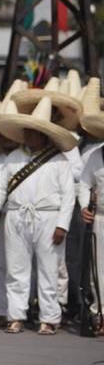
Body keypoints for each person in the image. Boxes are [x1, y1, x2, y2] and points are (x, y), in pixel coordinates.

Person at [0, 96, 77, 335]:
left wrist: (62, 225)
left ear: (44, 135)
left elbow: (69, 197)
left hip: (48, 218)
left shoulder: (60, 161)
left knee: (48, 269)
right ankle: (15, 315)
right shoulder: (14, 157)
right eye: (27, 131)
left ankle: (49, 318)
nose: (29, 136)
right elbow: (1, 187)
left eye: (34, 132)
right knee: (15, 269)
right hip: (16, 216)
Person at [78, 78, 104, 333]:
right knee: (99, 271)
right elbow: (84, 184)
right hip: (100, 219)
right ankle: (99, 314)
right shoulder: (95, 155)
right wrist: (85, 206)